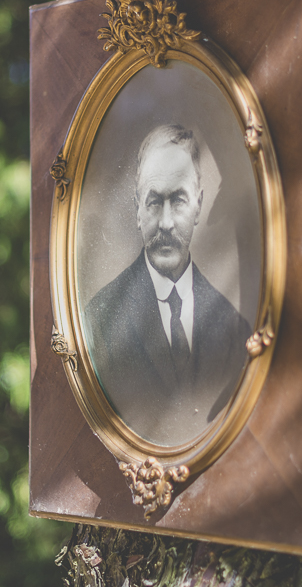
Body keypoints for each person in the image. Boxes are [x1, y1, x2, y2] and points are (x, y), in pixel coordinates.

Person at [83, 124, 252, 447]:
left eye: (178, 201)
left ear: (198, 206)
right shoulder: (98, 321)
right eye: (153, 202)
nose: (165, 223)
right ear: (137, 209)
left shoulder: (235, 330)